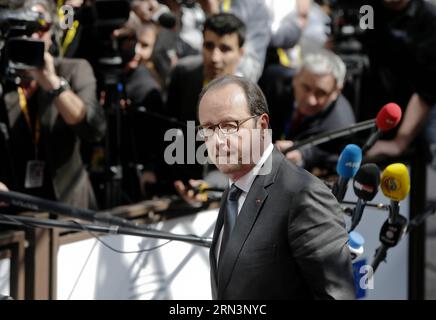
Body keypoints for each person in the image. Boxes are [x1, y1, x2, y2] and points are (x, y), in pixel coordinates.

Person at [197, 75, 355, 299]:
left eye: (229, 126)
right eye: (209, 129)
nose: (218, 140)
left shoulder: (304, 194)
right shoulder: (233, 190)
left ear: (261, 125)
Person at [0, 0, 106, 209]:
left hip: (69, 207)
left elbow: (93, 128)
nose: (33, 36)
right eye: (25, 28)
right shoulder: (4, 77)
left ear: (52, 30)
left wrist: (51, 81)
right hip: (16, 209)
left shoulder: (73, 70)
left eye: (41, 27)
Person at [361, 0, 436, 161]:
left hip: (414, 116)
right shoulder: (367, 8)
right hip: (368, 111)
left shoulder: (429, 19)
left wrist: (399, 143)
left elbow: (426, 91)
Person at [270, 50, 355, 170]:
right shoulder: (273, 80)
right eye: (306, 88)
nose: (311, 100)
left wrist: (302, 155)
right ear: (295, 78)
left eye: (321, 93)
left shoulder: (341, 126)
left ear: (336, 91)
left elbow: (326, 156)